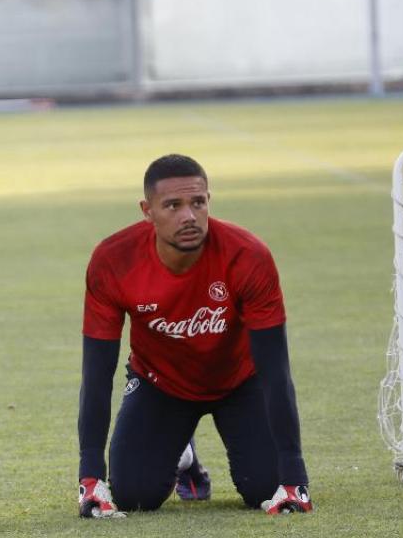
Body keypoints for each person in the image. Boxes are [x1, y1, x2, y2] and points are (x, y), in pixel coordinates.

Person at [76, 154, 311, 518]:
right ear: (147, 210)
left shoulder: (248, 256)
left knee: (266, 487)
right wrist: (90, 477)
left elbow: (276, 370)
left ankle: (243, 463)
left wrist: (294, 477)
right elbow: (96, 372)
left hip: (240, 383)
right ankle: (183, 455)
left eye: (197, 203)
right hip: (161, 384)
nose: (189, 216)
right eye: (173, 205)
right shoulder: (113, 260)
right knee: (134, 496)